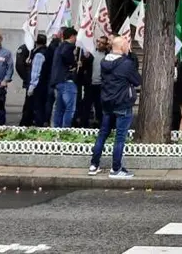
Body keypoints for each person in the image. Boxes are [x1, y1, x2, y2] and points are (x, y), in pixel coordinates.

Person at [88, 36, 141, 179]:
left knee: (103, 134)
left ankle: (94, 165)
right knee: (120, 137)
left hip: (107, 103)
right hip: (122, 103)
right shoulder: (126, 63)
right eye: (127, 44)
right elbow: (137, 80)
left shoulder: (104, 61)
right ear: (122, 47)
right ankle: (116, 169)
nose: (128, 46)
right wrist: (130, 56)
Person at [50, 27, 78, 128]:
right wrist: (73, 63)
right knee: (69, 109)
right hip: (66, 81)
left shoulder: (59, 46)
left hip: (58, 81)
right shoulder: (69, 46)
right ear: (72, 36)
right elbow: (65, 54)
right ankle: (65, 130)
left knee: (59, 109)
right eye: (75, 37)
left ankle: (57, 130)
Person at [21, 34, 48, 127]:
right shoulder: (46, 51)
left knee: (34, 108)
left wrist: (31, 87)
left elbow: (36, 72)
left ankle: (28, 126)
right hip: (43, 85)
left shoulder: (39, 54)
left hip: (37, 86)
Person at [84, 36, 109, 128]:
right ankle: (84, 125)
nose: (99, 44)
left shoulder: (107, 56)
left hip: (101, 85)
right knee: (86, 105)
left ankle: (99, 124)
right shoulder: (91, 53)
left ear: (106, 45)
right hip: (90, 84)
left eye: (102, 43)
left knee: (99, 106)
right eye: (98, 41)